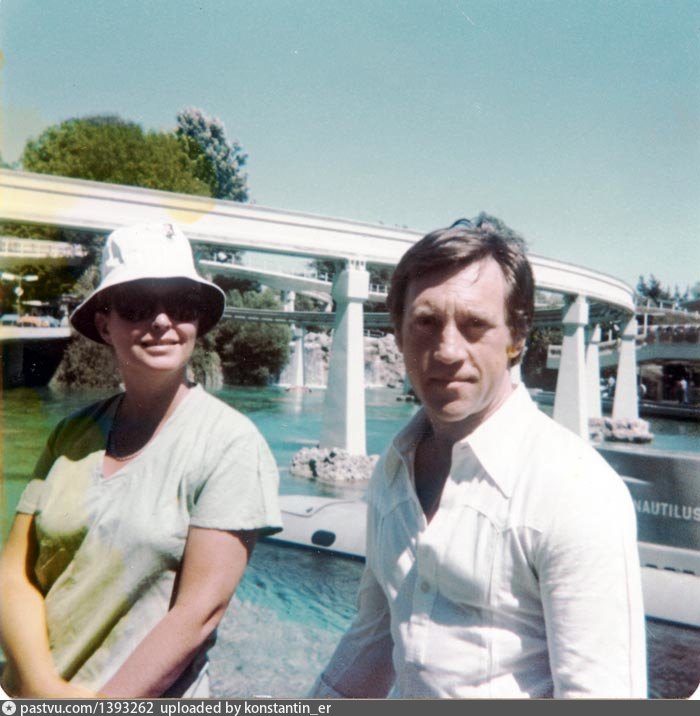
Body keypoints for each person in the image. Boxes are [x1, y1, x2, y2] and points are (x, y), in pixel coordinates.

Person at [310, 217, 647, 698]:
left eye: (475, 325)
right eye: (426, 323)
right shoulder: (394, 467)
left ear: (517, 337)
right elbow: (376, 635)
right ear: (399, 334)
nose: (448, 350)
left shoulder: (576, 492)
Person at [0, 222, 282, 699]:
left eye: (181, 305)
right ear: (104, 324)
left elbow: (198, 615)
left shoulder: (231, 445)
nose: (161, 321)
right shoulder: (70, 433)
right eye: (136, 305)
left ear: (198, 321)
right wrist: (41, 686)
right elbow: (14, 573)